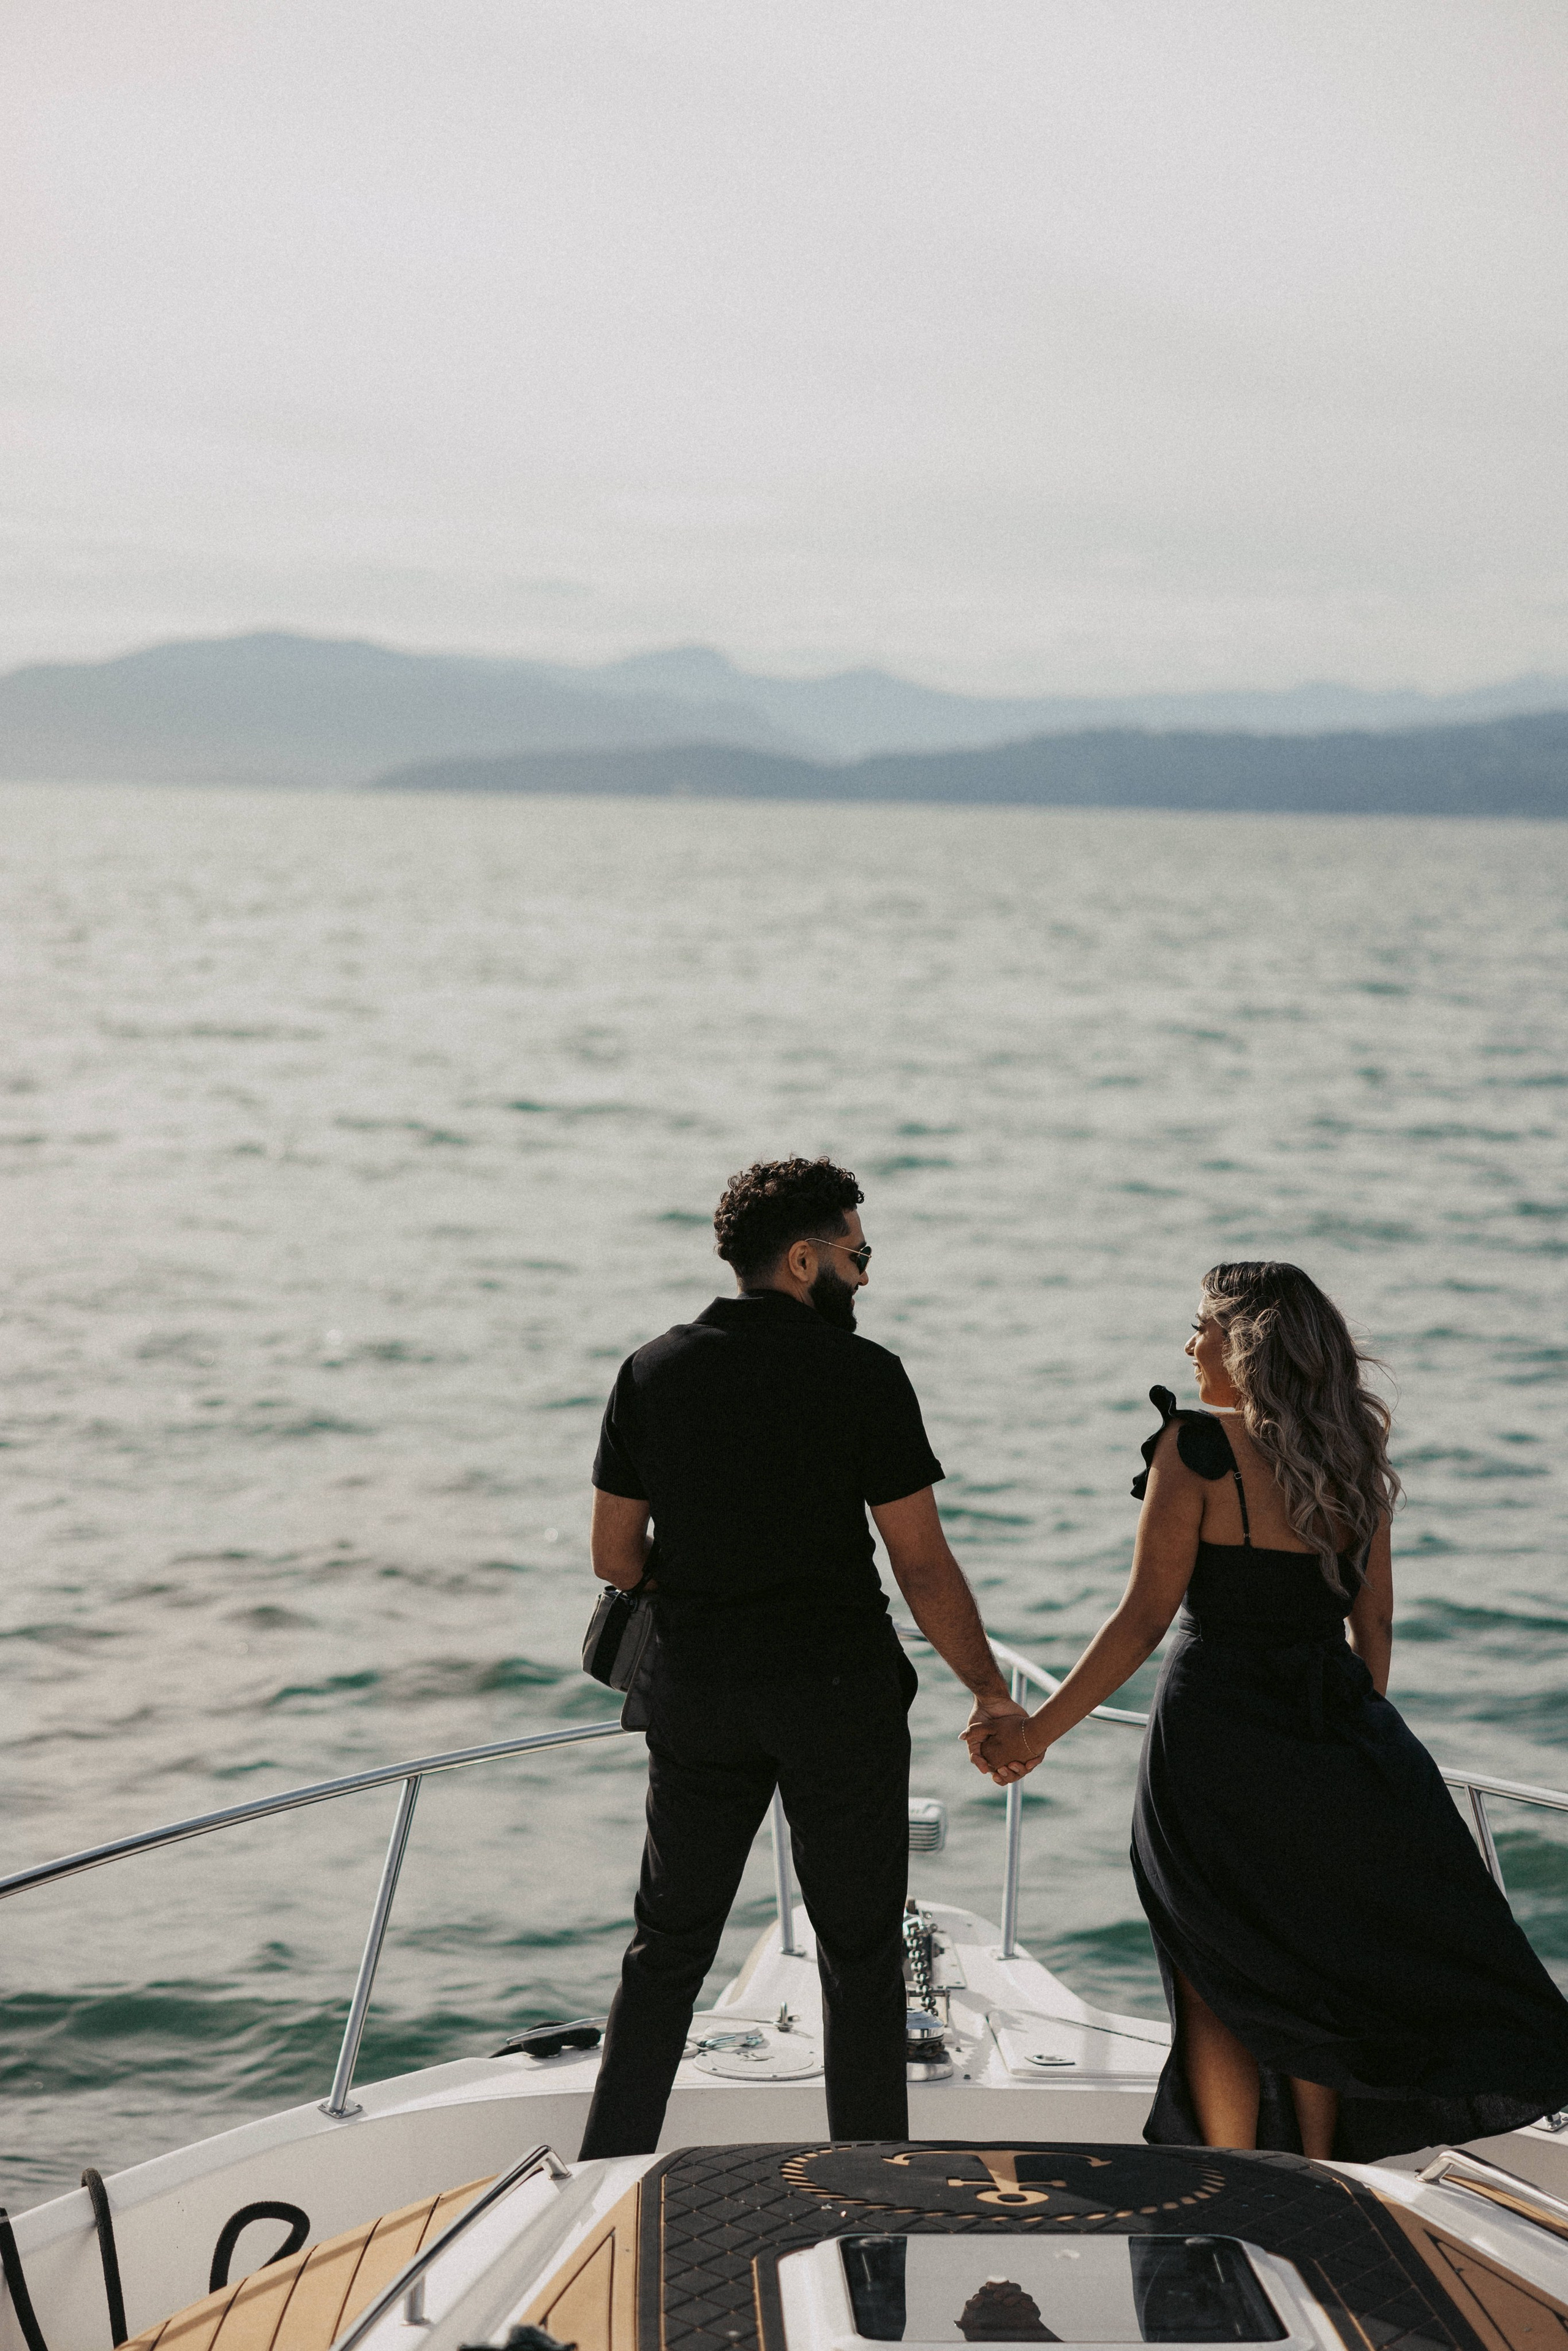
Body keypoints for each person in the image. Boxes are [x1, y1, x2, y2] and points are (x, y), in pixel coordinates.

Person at [972, 1259, 1568, 2162]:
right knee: (1309, 1970)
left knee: (1214, 1971)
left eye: (1201, 1326)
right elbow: (1375, 1628)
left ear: (1242, 1341)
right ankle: (1324, 2174)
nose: (1189, 1345)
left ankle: (1235, 2176)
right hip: (1323, 1732)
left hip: (1211, 1741)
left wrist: (1034, 1730)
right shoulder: (1355, 1455)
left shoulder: (1195, 1447)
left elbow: (1141, 1619)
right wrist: (1345, 1742)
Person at [578, 1156, 1025, 2159]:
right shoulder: (865, 1376)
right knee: (861, 1955)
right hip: (840, 1695)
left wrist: (699, 1590)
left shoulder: (651, 1369)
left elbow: (614, 1556)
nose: (865, 1276)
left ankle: (605, 2179)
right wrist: (990, 1691)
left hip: (700, 1694)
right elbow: (921, 1563)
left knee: (668, 1947)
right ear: (802, 1258)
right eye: (858, 1255)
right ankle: (872, 2194)